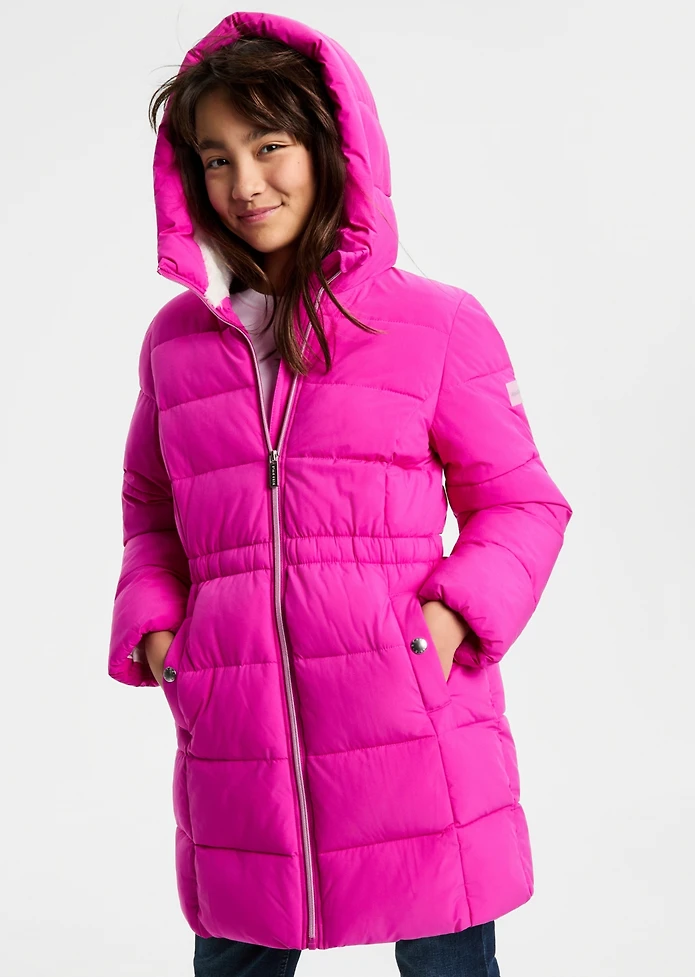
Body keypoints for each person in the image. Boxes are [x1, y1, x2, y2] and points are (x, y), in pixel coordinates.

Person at [107, 11, 573, 977]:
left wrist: (448, 620)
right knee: (237, 950)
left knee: (446, 957)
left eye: (268, 145)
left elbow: (522, 503)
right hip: (240, 734)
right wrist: (162, 635)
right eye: (216, 158)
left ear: (331, 146)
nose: (244, 182)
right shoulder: (177, 345)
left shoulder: (434, 324)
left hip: (414, 727)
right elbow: (151, 513)